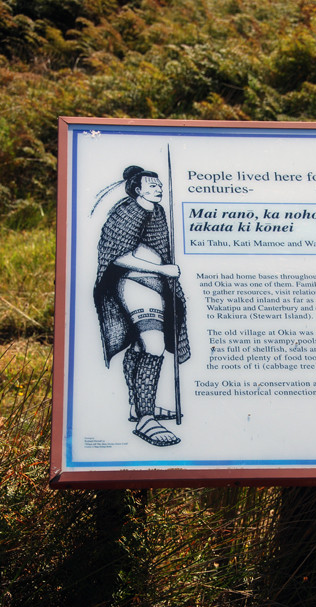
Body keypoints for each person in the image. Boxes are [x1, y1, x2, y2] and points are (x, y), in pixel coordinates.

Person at [94, 165, 190, 446]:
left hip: (156, 284)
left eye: (159, 185)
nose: (158, 189)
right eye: (151, 186)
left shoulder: (157, 212)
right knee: (153, 344)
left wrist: (163, 274)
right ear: (137, 189)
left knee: (140, 346)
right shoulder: (126, 211)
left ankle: (138, 406)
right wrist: (162, 270)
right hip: (132, 283)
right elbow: (116, 257)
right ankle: (147, 418)